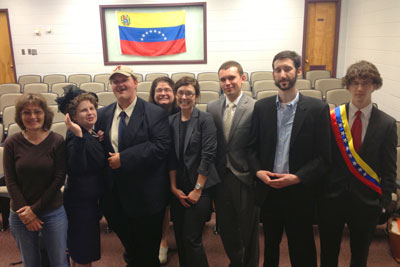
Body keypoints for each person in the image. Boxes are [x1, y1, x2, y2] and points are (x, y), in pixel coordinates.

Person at [248, 50, 331, 267]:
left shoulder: (317, 109)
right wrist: (258, 172)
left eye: (287, 69)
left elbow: (324, 157)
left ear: (298, 71)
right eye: (278, 70)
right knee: (270, 249)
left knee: (302, 249)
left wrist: (297, 177)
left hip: (300, 192)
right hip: (270, 190)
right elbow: (251, 148)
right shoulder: (262, 107)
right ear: (273, 74)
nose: (283, 74)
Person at [318, 60, 397, 267]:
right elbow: (323, 159)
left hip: (367, 202)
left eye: (365, 83)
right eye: (354, 83)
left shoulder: (387, 124)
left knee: (360, 257)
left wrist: (384, 200)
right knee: (328, 254)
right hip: (332, 199)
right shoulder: (331, 118)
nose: (359, 89)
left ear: (375, 85)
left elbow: (389, 168)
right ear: (347, 85)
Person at [96, 65, 171, 266]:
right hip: (115, 198)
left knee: (148, 251)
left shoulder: (154, 113)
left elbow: (161, 147)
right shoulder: (103, 114)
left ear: (135, 83)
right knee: (130, 248)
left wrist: (125, 158)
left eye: (124, 80)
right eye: (115, 81)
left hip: (145, 197)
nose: (120, 85)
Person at [4, 93, 68, 267]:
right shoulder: (12, 142)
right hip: (20, 214)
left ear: (45, 114)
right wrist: (26, 214)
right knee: (30, 262)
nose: (32, 117)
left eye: (37, 112)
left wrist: (34, 210)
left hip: (52, 211)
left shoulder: (57, 140)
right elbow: (10, 181)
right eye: (26, 112)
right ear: (20, 116)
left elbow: (59, 178)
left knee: (59, 262)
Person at [207, 61, 259, 267]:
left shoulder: (256, 107)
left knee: (249, 230)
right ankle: (237, 261)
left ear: (242, 79)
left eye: (231, 78)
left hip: (245, 177)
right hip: (221, 178)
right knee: (226, 228)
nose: (227, 83)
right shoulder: (212, 107)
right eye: (223, 79)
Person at [169, 77, 220, 267]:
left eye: (189, 93)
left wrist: (197, 189)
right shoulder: (171, 121)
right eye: (180, 93)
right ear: (176, 95)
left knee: (191, 238)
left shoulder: (205, 120)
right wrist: (173, 188)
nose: (184, 97)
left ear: (196, 96)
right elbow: (170, 158)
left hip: (201, 188)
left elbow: (208, 156)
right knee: (180, 238)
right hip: (178, 189)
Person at [56, 86, 106, 267]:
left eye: (92, 108)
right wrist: (78, 135)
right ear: (73, 116)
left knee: (80, 250)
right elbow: (77, 167)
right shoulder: (75, 135)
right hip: (80, 203)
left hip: (88, 202)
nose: (90, 112)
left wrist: (91, 139)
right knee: (83, 252)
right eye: (84, 110)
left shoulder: (89, 133)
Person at [149, 76, 178, 265]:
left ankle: (163, 240)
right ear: (153, 94)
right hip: (154, 166)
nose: (163, 93)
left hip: (177, 166)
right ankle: (155, 240)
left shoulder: (181, 112)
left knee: (168, 205)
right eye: (159, 90)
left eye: (167, 90)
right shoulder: (146, 112)